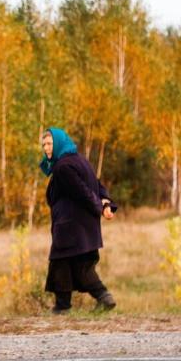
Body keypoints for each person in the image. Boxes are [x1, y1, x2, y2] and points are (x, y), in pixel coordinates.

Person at [40, 127, 118, 314]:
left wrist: (101, 208)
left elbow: (82, 191)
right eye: (43, 145)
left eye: (50, 143)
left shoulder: (63, 167)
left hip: (71, 226)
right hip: (82, 225)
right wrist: (107, 204)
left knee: (70, 264)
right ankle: (64, 306)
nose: (46, 148)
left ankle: (100, 297)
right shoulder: (80, 160)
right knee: (68, 264)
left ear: (58, 142)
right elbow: (97, 186)